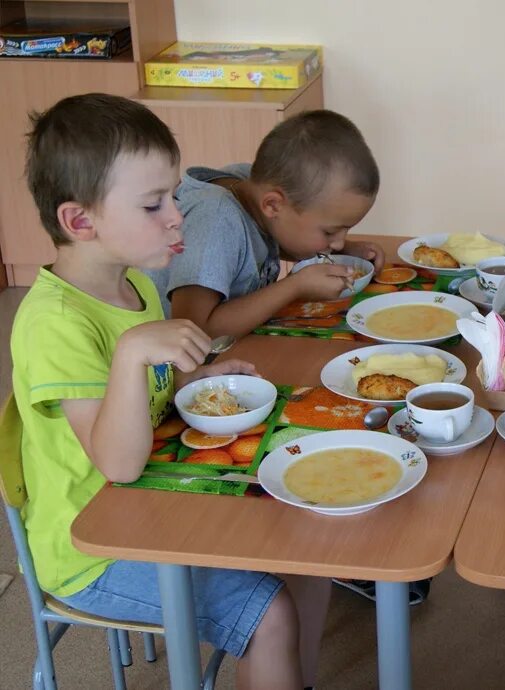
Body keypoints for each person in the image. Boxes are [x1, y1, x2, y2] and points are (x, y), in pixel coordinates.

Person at [9, 93, 329, 689]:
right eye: (153, 204)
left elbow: (157, 390)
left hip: (152, 506)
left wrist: (197, 380)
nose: (177, 216)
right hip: (94, 550)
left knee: (309, 556)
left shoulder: (131, 281)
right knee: (271, 612)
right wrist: (135, 353)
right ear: (81, 222)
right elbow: (120, 463)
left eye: (173, 196)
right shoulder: (55, 323)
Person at [145, 109, 384, 337]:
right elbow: (196, 330)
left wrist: (340, 249)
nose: (340, 241)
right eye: (331, 231)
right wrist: (294, 287)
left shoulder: (252, 188)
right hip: (175, 368)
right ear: (272, 205)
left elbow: (272, 238)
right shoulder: (216, 221)